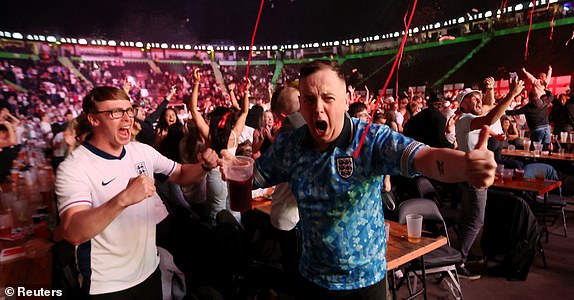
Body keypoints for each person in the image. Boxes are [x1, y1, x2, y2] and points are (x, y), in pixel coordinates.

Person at [242, 60, 496, 299]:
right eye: (309, 100)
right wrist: (228, 164)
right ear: (300, 104)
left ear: (346, 101)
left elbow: (426, 158)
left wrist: (466, 165)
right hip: (314, 279)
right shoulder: (290, 146)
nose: (318, 108)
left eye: (328, 98)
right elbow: (252, 178)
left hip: (366, 281)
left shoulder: (371, 140)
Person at [55, 86, 219, 299]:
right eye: (115, 112)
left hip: (149, 272)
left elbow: (179, 173)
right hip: (106, 286)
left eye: (128, 110)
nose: (126, 118)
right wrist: (123, 199)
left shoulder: (141, 151)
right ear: (93, 119)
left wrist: (204, 166)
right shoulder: (75, 167)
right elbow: (73, 231)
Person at [455, 77, 524, 279]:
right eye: (473, 98)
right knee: (476, 220)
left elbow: (488, 107)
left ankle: (458, 254)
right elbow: (491, 116)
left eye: (479, 97)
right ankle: (459, 261)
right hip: (475, 177)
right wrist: (512, 94)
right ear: (463, 104)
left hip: (471, 174)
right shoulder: (465, 119)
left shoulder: (470, 118)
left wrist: (490, 88)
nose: (478, 101)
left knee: (467, 218)